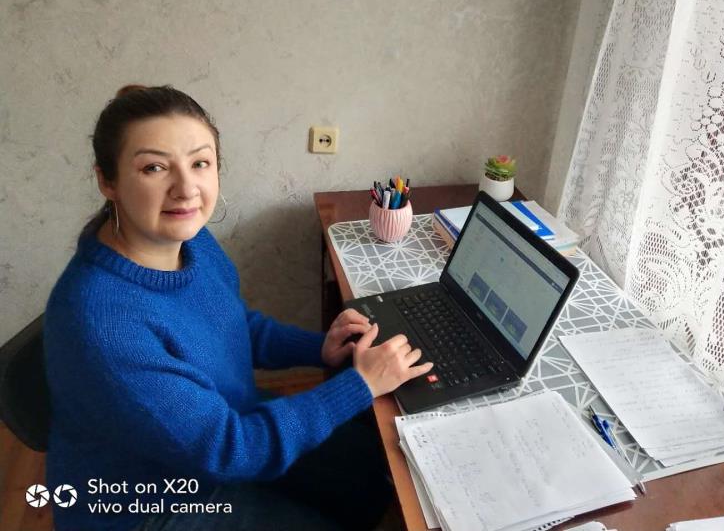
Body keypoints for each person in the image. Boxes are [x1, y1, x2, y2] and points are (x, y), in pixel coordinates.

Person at [43, 85, 434, 531]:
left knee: (370, 473)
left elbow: (231, 325)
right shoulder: (101, 323)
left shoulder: (190, 241)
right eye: (154, 167)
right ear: (107, 181)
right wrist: (359, 385)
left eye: (200, 163)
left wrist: (319, 349)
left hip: (219, 426)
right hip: (151, 505)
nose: (186, 189)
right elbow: (231, 450)